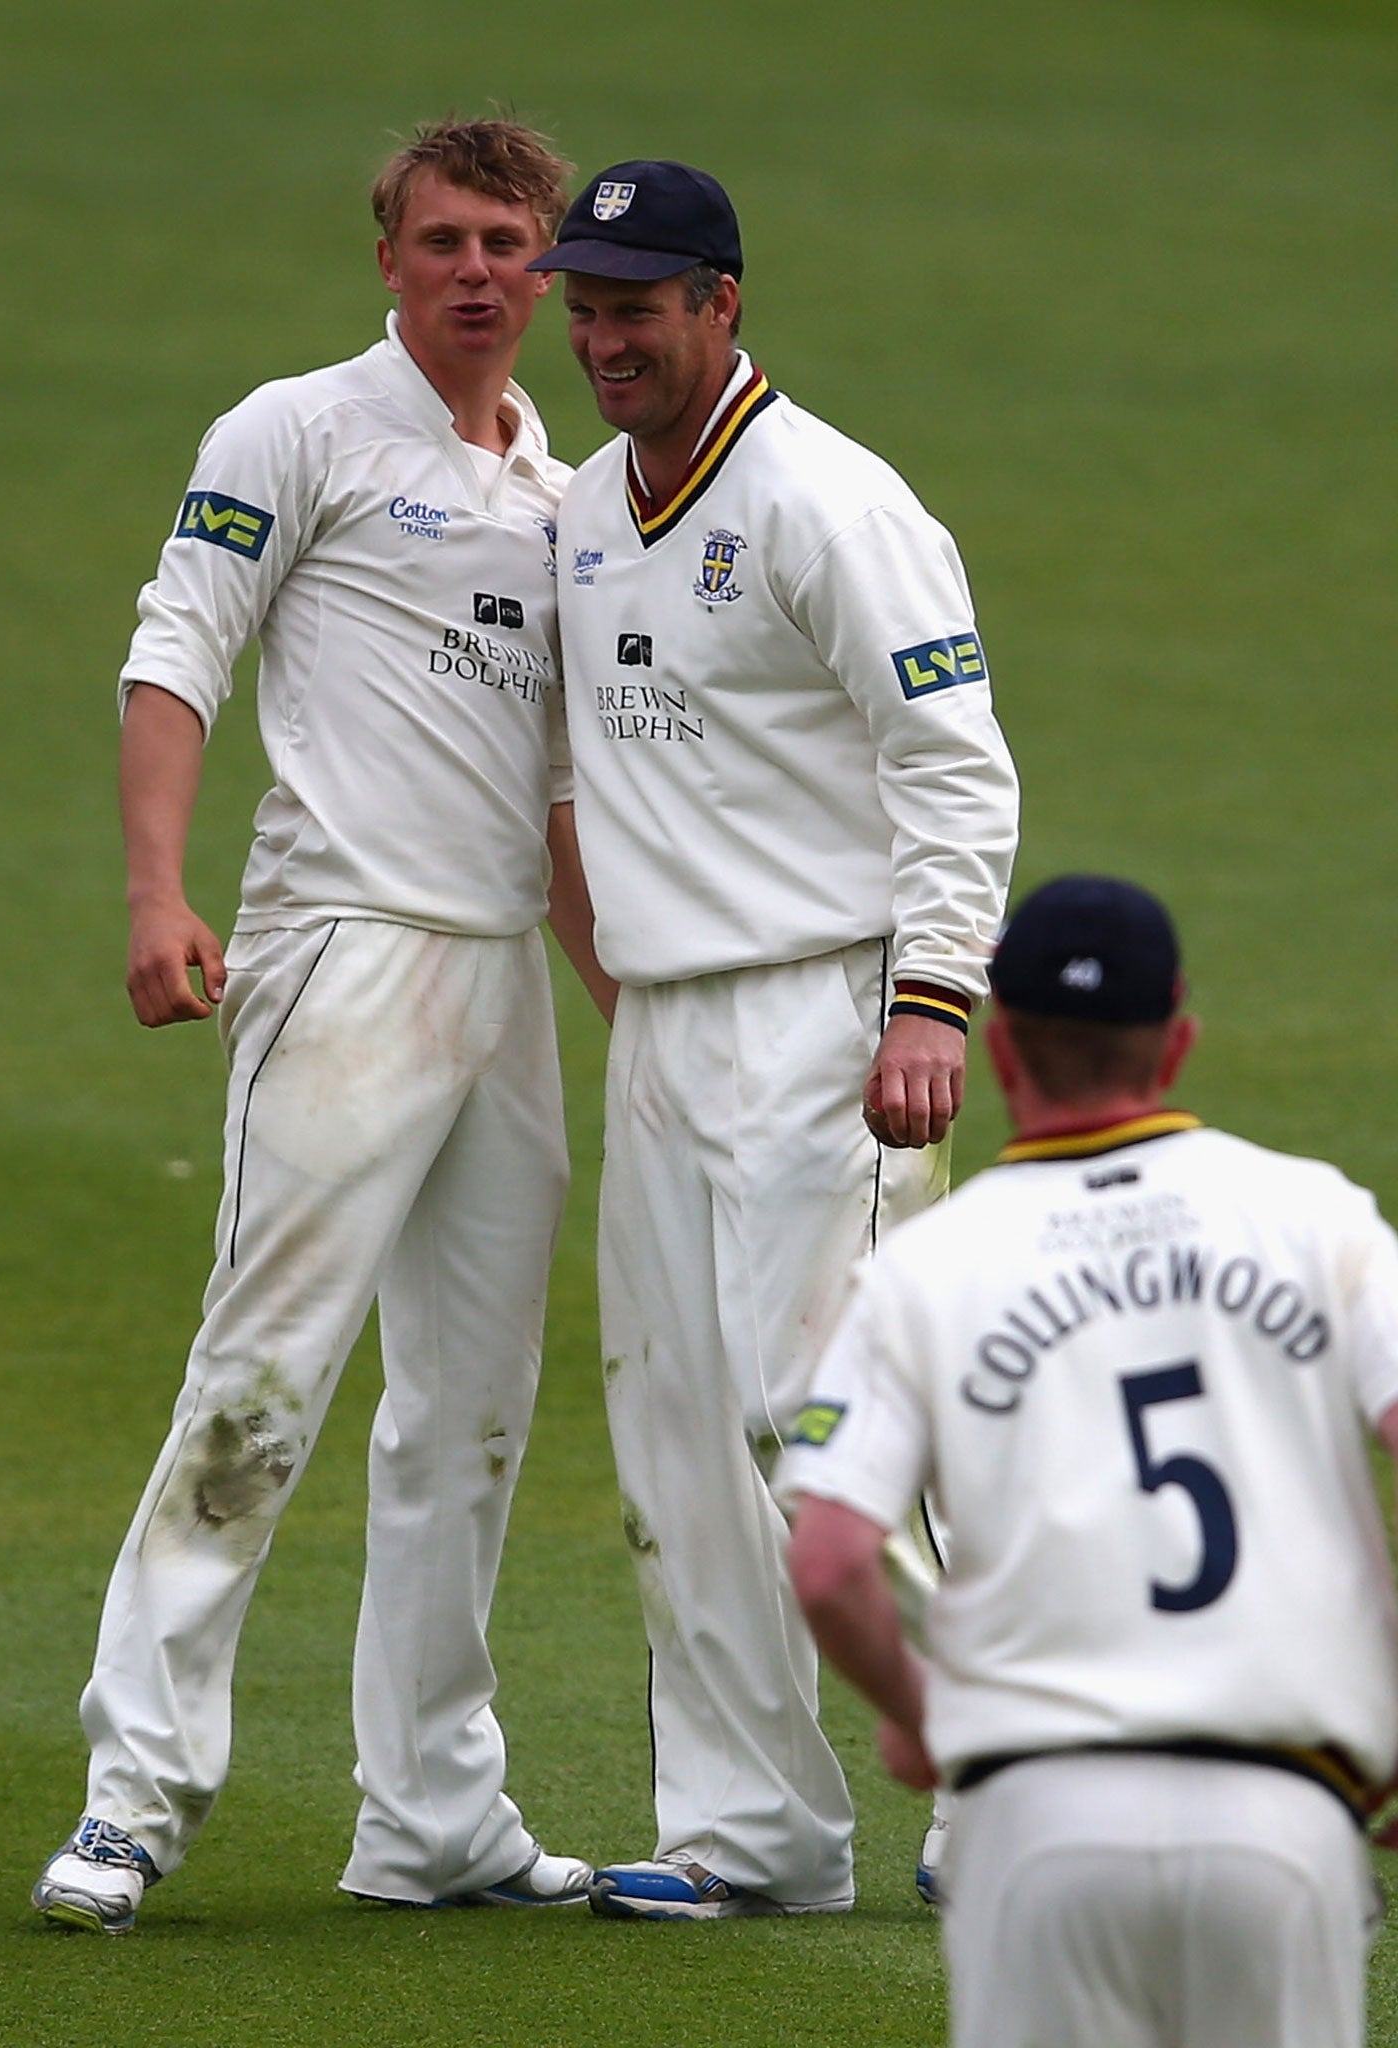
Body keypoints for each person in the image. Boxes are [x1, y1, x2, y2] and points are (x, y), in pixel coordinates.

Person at [32, 118, 613, 1934]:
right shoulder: (293, 428)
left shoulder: (564, 491)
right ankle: (134, 1792)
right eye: (440, 237)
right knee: (264, 1375)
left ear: (547, 273)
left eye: (507, 242)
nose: (474, 270)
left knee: (474, 1412)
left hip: (501, 976)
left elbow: (566, 802)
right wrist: (154, 892)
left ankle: (434, 1810)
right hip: (340, 948)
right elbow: (176, 648)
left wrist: (630, 1015)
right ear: (389, 257)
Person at [527, 161, 1019, 1918]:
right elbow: (587, 774)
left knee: (821, 1422)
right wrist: (628, 989)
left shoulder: (831, 500)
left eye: (637, 307)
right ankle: (754, 1826)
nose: (603, 338)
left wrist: (929, 999)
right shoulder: (586, 504)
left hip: (831, 1012)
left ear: (722, 303)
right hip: (664, 1025)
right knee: (677, 1435)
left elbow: (955, 760)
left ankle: (1013, 1766)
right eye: (583, 306)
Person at [782, 874, 1398, 2047]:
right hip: (1284, 1816)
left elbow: (824, 1563)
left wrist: (921, 1718)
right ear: (1176, 1043)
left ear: (1002, 1046)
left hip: (1039, 1822)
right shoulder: (1315, 1217)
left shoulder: (927, 1267)